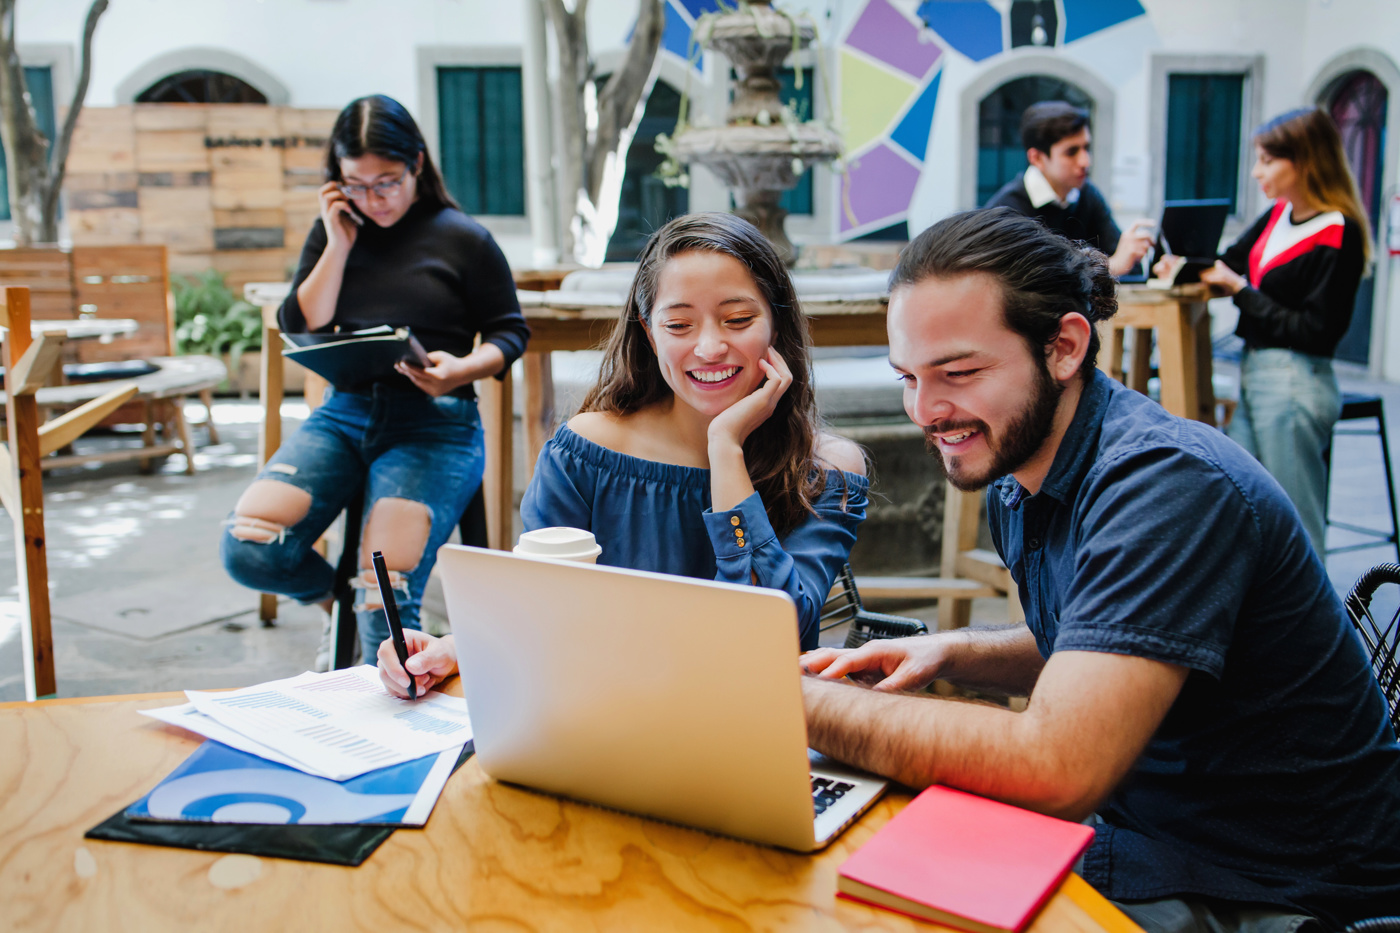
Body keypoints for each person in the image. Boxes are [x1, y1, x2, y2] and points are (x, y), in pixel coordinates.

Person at [800, 208, 1400, 931]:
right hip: (1159, 834)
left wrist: (788, 700)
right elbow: (1099, 641)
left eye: (957, 372)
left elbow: (1055, 768)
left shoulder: (1166, 485)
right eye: (907, 377)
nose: (925, 411)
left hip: (1283, 885)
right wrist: (949, 651)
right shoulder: (1019, 473)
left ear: (1064, 346)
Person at [377, 212, 868, 697]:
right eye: (678, 324)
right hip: (602, 717)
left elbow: (770, 634)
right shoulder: (587, 452)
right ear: (650, 333)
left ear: (776, 325)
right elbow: (539, 605)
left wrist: (726, 451)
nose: (711, 346)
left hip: (755, 723)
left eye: (738, 320)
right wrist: (453, 647)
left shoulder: (828, 470)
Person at [221, 95, 530, 667]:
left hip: (436, 425)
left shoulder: (464, 238)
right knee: (249, 547)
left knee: (380, 598)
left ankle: (383, 712)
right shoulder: (337, 228)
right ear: (336, 182)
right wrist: (338, 243)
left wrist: (462, 369)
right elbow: (299, 322)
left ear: (416, 163)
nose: (373, 198)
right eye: (356, 184)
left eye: (386, 182)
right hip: (346, 413)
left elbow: (510, 334)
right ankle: (336, 611)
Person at [1160, 108, 1368, 555]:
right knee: (1241, 506)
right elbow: (1226, 264)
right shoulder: (1277, 217)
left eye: (1268, 160)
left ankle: (1318, 625)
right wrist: (1178, 267)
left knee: (1298, 523)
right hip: (1256, 375)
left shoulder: (1338, 231)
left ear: (1305, 161)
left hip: (1297, 379)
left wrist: (1240, 291)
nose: (1257, 172)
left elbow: (1315, 330)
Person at [984, 101, 1153, 277]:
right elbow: (1036, 284)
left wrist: (1158, 270)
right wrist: (1113, 266)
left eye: (1086, 148)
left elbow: (1126, 265)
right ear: (1037, 158)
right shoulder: (1006, 211)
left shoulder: (1087, 194)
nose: (1085, 162)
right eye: (1071, 152)